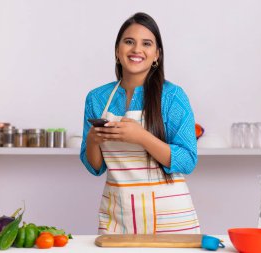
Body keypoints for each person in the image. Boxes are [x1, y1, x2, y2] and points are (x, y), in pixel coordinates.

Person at [80, 12, 200, 235]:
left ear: (157, 55)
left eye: (146, 43)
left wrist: (141, 137)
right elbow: (95, 167)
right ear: (117, 51)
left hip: (171, 221)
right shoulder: (97, 98)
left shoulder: (172, 96)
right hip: (118, 218)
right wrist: (92, 141)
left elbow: (188, 160)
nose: (137, 49)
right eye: (129, 42)